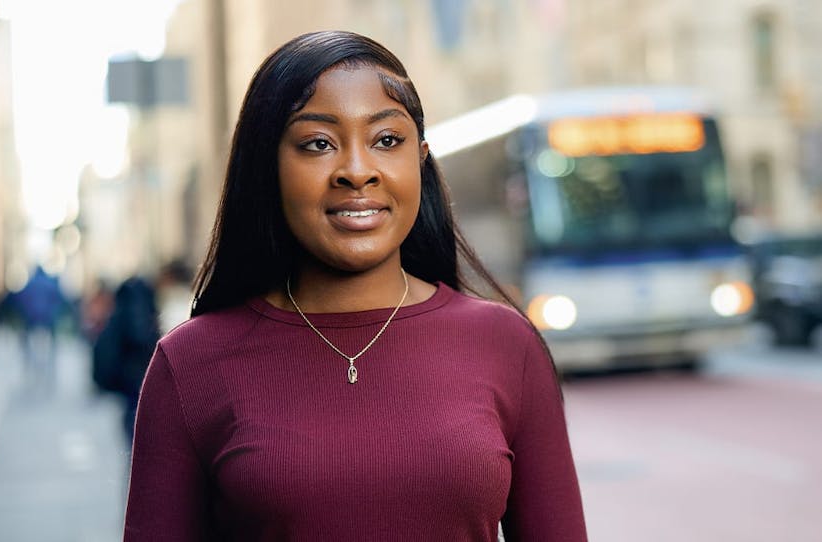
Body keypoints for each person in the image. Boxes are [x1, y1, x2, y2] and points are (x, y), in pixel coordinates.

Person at [124, 30, 587, 541]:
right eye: (318, 143)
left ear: (421, 159)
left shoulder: (507, 344)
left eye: (387, 140)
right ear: (267, 168)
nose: (357, 172)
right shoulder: (189, 365)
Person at [92, 276, 160, 447]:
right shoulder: (141, 308)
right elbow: (139, 335)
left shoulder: (120, 309)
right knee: (137, 424)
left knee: (133, 424)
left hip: (129, 377)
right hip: (137, 375)